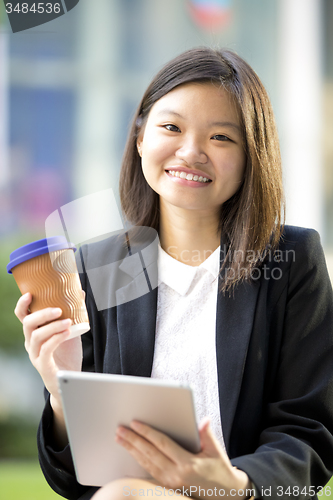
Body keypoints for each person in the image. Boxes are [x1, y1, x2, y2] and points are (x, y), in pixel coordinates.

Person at [14, 47, 333, 500]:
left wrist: (235, 484)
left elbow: (311, 436)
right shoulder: (100, 267)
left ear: (250, 156)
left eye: (222, 138)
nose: (191, 151)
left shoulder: (293, 260)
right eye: (171, 127)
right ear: (141, 138)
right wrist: (62, 392)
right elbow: (72, 481)